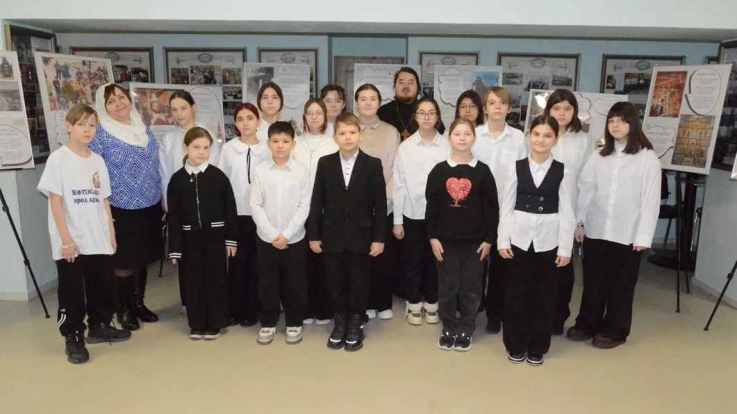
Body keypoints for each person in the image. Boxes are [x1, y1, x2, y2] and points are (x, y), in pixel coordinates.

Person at [38, 104, 131, 364]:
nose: (87, 130)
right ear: (68, 126)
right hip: (72, 240)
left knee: (102, 285)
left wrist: (110, 232)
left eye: (92, 125)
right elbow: (55, 201)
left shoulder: (97, 161)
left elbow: (104, 200)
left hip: (97, 237)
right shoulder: (58, 159)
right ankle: (74, 337)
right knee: (72, 291)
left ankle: (99, 325)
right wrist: (66, 240)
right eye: (81, 124)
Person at [567, 102, 661, 349]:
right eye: (611, 120)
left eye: (621, 120)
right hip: (597, 229)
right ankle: (588, 323)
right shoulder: (599, 156)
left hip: (627, 233)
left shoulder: (647, 158)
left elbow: (651, 200)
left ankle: (616, 330)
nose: (615, 125)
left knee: (621, 285)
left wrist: (644, 236)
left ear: (633, 123)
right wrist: (580, 221)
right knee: (593, 281)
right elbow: (586, 189)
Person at [498, 115, 575, 366]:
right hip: (518, 239)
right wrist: (503, 240)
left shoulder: (563, 170)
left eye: (548, 135)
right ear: (529, 136)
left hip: (548, 241)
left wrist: (565, 247)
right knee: (516, 294)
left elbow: (567, 212)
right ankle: (515, 343)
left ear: (555, 139)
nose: (541, 140)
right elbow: (506, 206)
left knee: (544, 296)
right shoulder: (516, 167)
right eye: (537, 134)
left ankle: (538, 345)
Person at [308, 113, 387, 352]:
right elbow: (317, 201)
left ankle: (355, 322)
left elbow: (380, 206)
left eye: (352, 132)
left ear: (360, 136)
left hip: (362, 236)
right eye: (342, 133)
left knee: (359, 281)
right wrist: (314, 234)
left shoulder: (373, 164)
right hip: (332, 235)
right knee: (336, 281)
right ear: (335, 137)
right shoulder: (325, 163)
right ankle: (340, 321)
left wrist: (379, 238)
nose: (348, 137)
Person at [89, 83, 162, 332]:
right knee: (123, 260)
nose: (118, 103)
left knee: (141, 256)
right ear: (103, 107)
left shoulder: (142, 127)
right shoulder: (100, 133)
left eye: (121, 97)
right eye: (111, 101)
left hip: (150, 203)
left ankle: (138, 304)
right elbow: (92, 170)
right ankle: (123, 309)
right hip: (120, 205)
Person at [425, 118, 498, 352]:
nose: (462, 138)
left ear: (474, 138)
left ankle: (467, 325)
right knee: (447, 286)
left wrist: (489, 239)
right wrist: (433, 237)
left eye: (467, 134)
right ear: (450, 138)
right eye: (457, 134)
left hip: (475, 243)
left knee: (471, 287)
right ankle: (448, 325)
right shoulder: (439, 171)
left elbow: (492, 209)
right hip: (445, 242)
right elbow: (431, 208)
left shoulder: (483, 171)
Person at [167, 127, 238, 340]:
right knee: (193, 281)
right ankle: (197, 323)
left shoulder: (218, 177)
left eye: (206, 148)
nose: (201, 152)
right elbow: (174, 216)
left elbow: (230, 209)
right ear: (185, 148)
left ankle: (216, 322)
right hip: (189, 239)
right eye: (196, 147)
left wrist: (231, 239)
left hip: (215, 237)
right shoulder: (177, 180)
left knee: (216, 279)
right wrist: (175, 248)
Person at [159, 90, 221, 316]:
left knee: (208, 258)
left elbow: (215, 171)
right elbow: (165, 174)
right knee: (185, 257)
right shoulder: (169, 139)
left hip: (205, 207)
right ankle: (188, 300)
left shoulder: (206, 135)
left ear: (193, 108)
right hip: (180, 205)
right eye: (174, 110)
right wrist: (170, 206)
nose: (179, 114)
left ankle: (210, 300)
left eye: (183, 108)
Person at [471, 86, 527, 334]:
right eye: (492, 103)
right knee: (476, 263)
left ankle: (496, 313)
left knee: (502, 266)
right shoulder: (474, 134)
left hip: (507, 209)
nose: (497, 107)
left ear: (509, 108)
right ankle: (473, 307)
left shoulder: (519, 138)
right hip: (476, 210)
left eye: (502, 103)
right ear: (484, 108)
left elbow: (523, 174)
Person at [250, 122, 311, 345]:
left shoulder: (301, 171)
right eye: (275, 141)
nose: (280, 146)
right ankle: (268, 322)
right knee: (268, 283)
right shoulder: (260, 170)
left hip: (294, 238)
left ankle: (294, 321)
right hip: (266, 239)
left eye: (285, 141)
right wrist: (273, 234)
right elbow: (255, 205)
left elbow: (304, 206)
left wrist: (286, 235)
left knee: (294, 283)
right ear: (268, 144)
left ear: (293, 144)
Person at [393, 97, 452, 326]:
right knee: (413, 261)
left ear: (437, 117)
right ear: (415, 116)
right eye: (422, 113)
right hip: (412, 214)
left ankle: (432, 303)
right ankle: (414, 303)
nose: (426, 117)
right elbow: (399, 185)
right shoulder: (405, 147)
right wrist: (397, 220)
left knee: (436, 261)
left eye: (431, 113)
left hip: (441, 216)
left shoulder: (447, 146)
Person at [542, 89, 595, 335]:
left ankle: (558, 316)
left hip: (569, 211)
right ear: (548, 110)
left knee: (563, 265)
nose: (562, 113)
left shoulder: (583, 140)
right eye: (556, 108)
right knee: (540, 266)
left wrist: (580, 218)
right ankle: (539, 314)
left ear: (574, 111)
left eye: (567, 109)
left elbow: (587, 181)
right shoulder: (539, 134)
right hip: (540, 212)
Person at [218, 103, 272, 327]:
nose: (245, 123)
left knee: (259, 264)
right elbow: (221, 182)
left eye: (250, 118)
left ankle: (255, 309)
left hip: (262, 214)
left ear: (258, 121)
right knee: (237, 263)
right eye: (240, 119)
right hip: (236, 214)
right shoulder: (229, 149)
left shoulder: (268, 148)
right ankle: (236, 309)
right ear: (235, 124)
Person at [355, 84, 401, 320]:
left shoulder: (391, 131)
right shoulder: (349, 129)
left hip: (385, 202)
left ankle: (382, 303)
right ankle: (364, 303)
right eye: (363, 98)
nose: (368, 103)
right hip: (355, 205)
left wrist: (385, 199)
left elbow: (395, 168)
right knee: (360, 256)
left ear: (379, 103)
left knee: (383, 255)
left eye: (373, 98)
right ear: (356, 103)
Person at [293, 98, 338, 326]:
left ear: (325, 116)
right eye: (309, 112)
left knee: (323, 263)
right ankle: (304, 309)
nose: (314, 117)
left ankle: (323, 309)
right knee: (300, 264)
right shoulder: (295, 143)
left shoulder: (333, 144)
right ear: (304, 116)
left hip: (324, 211)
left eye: (318, 112)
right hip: (297, 210)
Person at [377, 67, 421, 140]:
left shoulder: (427, 111)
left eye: (411, 82)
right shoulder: (383, 111)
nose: (406, 86)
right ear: (394, 87)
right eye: (401, 82)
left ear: (418, 88)